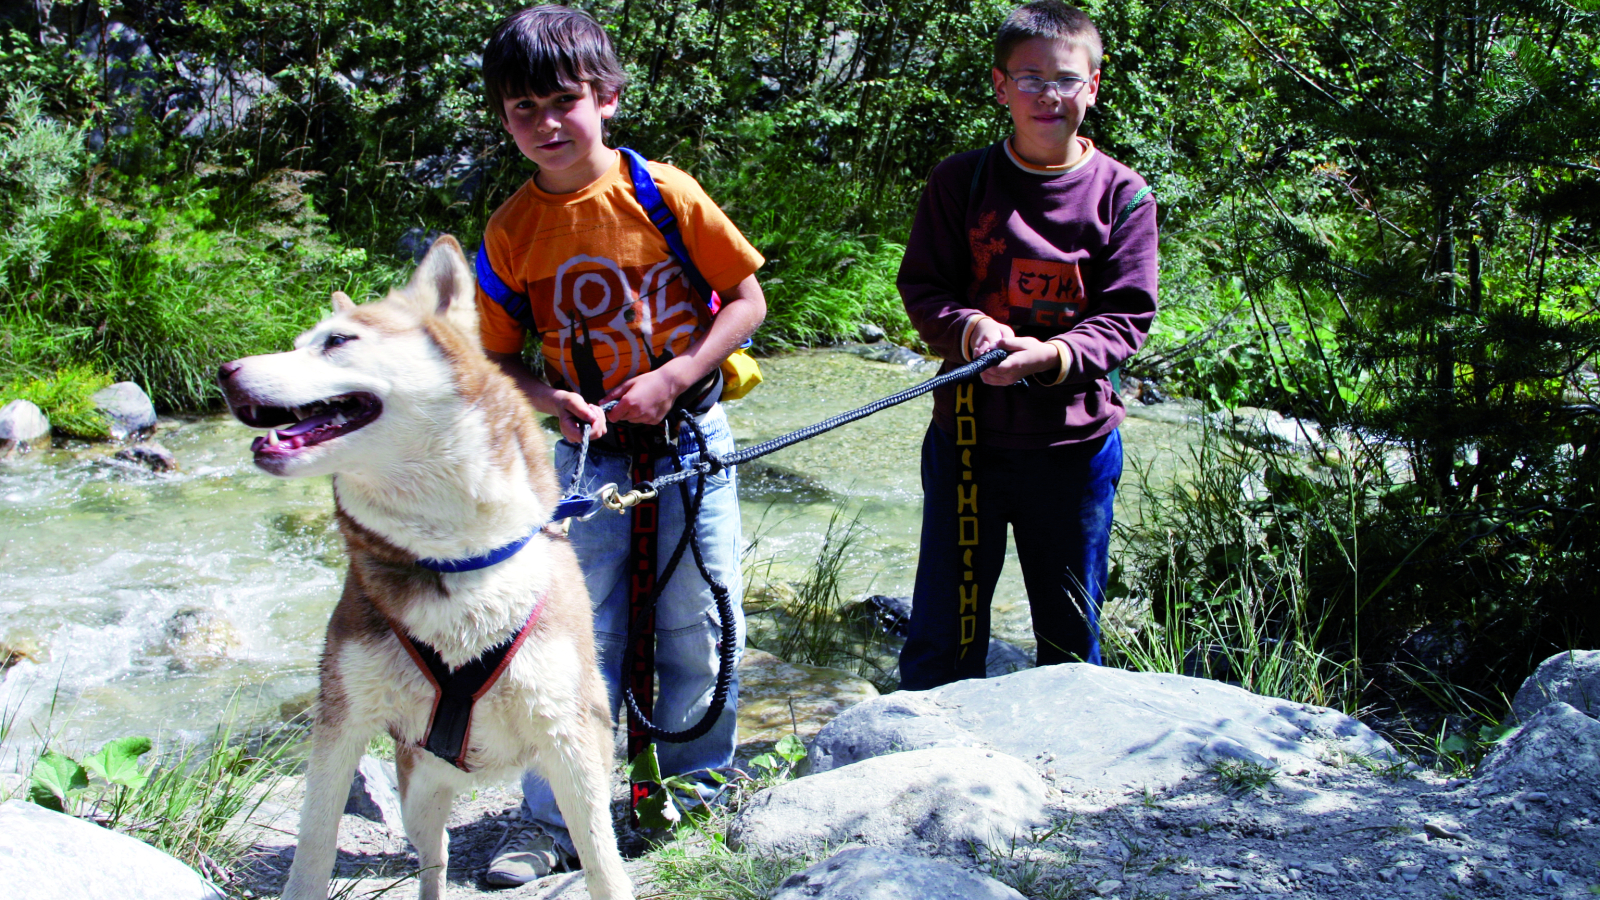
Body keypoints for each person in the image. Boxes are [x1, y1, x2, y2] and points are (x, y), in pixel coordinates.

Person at [471, 5, 765, 885]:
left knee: (700, 622)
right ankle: (556, 819)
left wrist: (677, 375)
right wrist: (548, 400)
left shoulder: (661, 192)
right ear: (504, 119)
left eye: (562, 100)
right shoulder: (511, 232)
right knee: (564, 633)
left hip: (691, 439)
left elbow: (746, 301)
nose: (545, 124)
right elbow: (496, 358)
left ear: (606, 95)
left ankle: (694, 792)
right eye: (522, 109)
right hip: (588, 461)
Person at [896, 0, 1157, 691]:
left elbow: (1126, 316)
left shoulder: (1123, 197)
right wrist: (971, 329)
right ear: (1000, 86)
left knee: (1070, 639)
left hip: (1074, 451)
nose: (1049, 94)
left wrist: (1050, 358)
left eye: (1066, 79)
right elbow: (924, 288)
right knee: (942, 637)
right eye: (1031, 78)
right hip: (967, 442)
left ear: (1093, 88)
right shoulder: (961, 182)